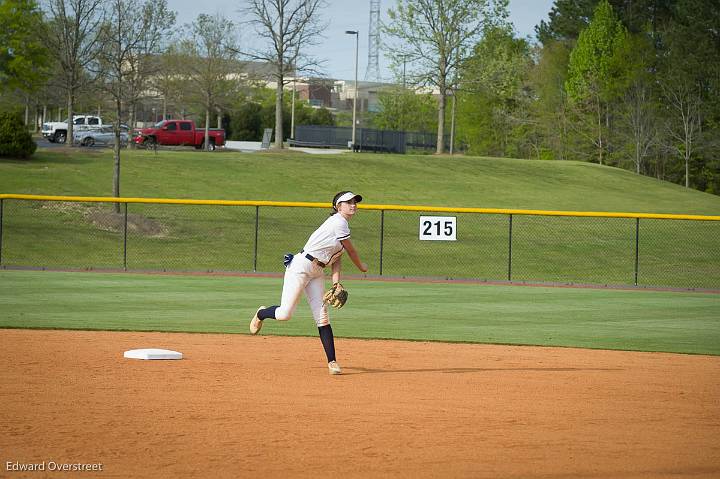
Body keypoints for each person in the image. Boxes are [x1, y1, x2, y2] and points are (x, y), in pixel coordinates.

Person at [249, 191, 368, 375]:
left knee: (322, 317)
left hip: (317, 271)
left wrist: (336, 283)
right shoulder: (339, 222)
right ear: (338, 206)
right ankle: (262, 313)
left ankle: (332, 362)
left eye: (355, 202)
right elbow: (351, 251)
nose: (353, 205)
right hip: (301, 267)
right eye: (348, 202)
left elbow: (337, 259)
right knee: (284, 314)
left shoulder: (341, 228)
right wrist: (362, 267)